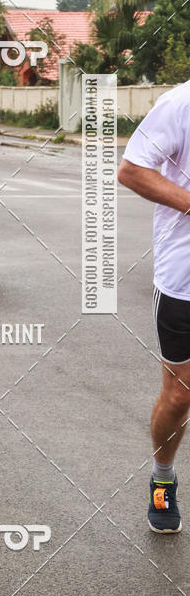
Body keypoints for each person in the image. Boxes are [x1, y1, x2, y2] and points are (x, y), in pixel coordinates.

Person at [118, 80, 190, 534]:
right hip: (184, 278)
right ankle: (162, 476)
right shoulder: (179, 103)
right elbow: (132, 170)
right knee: (180, 394)